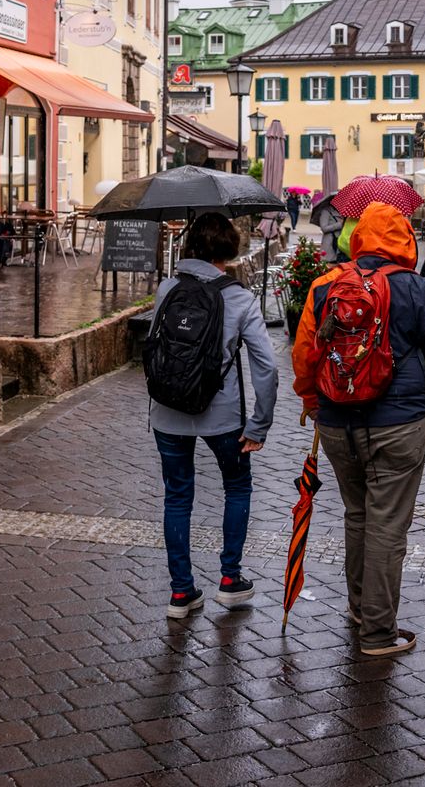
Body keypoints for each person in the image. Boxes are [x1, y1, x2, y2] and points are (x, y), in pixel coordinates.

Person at [293, 202, 425, 656]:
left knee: (357, 515)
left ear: (357, 238)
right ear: (404, 240)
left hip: (337, 425)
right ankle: (377, 632)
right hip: (399, 425)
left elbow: (304, 355)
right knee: (388, 528)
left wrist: (312, 402)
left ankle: (359, 608)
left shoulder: (325, 285)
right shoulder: (415, 288)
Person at [145, 214, 277, 618]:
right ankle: (229, 579)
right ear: (229, 249)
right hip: (221, 416)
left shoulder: (167, 288)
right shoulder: (239, 297)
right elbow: (266, 366)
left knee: (177, 495)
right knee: (236, 487)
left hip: (167, 411)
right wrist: (259, 423)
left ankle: (181, 592)